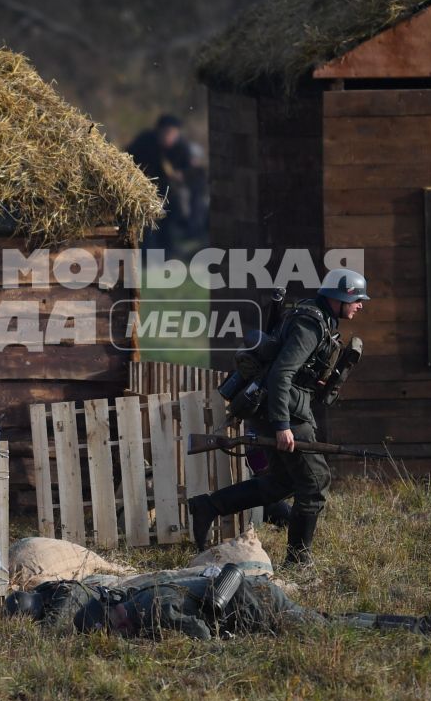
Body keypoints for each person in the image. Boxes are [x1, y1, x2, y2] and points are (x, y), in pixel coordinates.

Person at [186, 267, 369, 570]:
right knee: (314, 482)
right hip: (286, 413)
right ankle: (298, 562)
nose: (361, 305)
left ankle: (208, 506)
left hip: (277, 408)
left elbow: (292, 369)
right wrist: (283, 425)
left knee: (282, 482)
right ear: (340, 297)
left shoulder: (318, 318)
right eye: (357, 299)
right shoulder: (310, 324)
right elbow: (282, 373)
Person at [3, 563, 431, 639]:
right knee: (329, 619)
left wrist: (220, 644)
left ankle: (417, 626)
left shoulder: (150, 608)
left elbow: (196, 631)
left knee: (327, 626)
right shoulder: (123, 598)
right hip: (245, 594)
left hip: (251, 604)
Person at [125, 114, 194, 251]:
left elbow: (189, 171)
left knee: (169, 222)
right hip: (144, 189)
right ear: (158, 131)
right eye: (166, 133)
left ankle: (171, 249)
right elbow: (127, 159)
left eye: (173, 134)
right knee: (147, 225)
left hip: (170, 192)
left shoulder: (181, 148)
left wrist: (180, 175)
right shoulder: (145, 142)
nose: (169, 137)